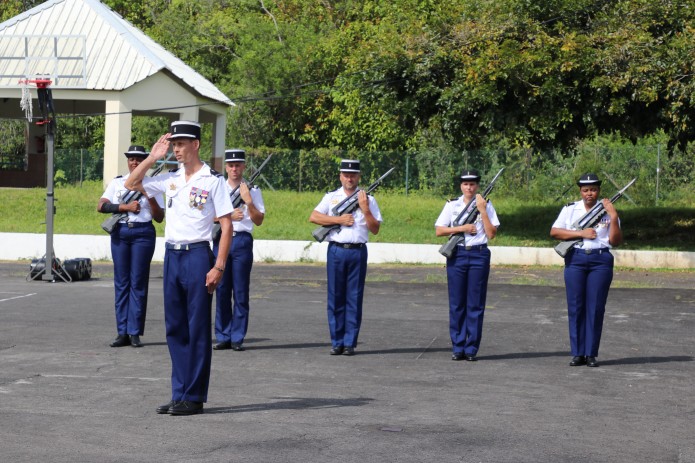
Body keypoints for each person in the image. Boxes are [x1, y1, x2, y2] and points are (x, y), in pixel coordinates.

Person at [125, 121, 234, 416]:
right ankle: (179, 393)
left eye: (181, 144)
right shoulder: (170, 179)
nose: (177, 149)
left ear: (196, 144)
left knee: (197, 328)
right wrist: (151, 158)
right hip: (172, 256)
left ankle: (195, 396)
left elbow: (226, 225)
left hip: (199, 255)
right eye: (174, 144)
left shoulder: (213, 180)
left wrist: (219, 266)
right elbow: (131, 184)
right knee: (175, 328)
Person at [309, 159, 382, 356]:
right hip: (336, 250)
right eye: (346, 175)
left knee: (354, 297)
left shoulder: (368, 199)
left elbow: (375, 229)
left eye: (353, 175)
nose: (349, 178)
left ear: (359, 177)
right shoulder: (332, 197)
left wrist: (365, 208)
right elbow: (314, 217)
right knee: (335, 296)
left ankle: (350, 342)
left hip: (357, 251)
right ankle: (336, 341)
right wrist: (338, 220)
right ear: (341, 176)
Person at [550, 173, 623, 368]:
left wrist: (614, 217)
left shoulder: (607, 210)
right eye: (585, 190)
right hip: (576, 258)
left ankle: (591, 353)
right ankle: (577, 353)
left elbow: (615, 241)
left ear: (598, 190)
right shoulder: (570, 209)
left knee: (596, 307)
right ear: (580, 191)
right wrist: (580, 233)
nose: (589, 193)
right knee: (576, 306)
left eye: (593, 189)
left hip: (600, 260)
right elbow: (555, 232)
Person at [98, 145, 164, 348]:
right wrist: (125, 207)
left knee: (138, 283)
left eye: (138, 159)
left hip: (143, 234)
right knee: (122, 283)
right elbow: (101, 205)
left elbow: (159, 217)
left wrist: (146, 193)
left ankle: (135, 332)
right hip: (121, 232)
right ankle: (122, 332)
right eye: (131, 159)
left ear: (145, 161)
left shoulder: (152, 184)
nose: (134, 162)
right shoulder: (118, 182)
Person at [434, 169, 499, 361]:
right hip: (458, 254)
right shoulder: (452, 205)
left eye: (472, 184)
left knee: (475, 303)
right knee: (457, 303)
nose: (469, 188)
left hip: (479, 254)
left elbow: (491, 233)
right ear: (461, 186)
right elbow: (439, 230)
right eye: (465, 184)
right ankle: (458, 345)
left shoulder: (485, 205)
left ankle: (471, 348)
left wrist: (482, 210)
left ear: (477, 186)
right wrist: (461, 228)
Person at [212, 149, 265, 352]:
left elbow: (259, 220)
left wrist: (249, 201)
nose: (234, 169)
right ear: (226, 167)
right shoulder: (217, 188)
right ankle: (223, 335)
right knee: (222, 289)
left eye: (238, 165)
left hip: (242, 241)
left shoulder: (253, 190)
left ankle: (237, 336)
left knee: (241, 291)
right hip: (222, 240)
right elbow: (208, 217)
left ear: (244, 167)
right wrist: (227, 217)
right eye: (231, 165)